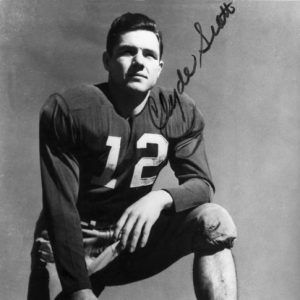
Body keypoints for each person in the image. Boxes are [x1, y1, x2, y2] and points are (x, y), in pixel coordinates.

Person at [27, 12, 237, 300]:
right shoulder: (72, 110)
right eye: (128, 51)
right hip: (75, 242)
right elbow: (61, 209)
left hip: (132, 237)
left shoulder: (178, 111)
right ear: (107, 61)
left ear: (160, 67)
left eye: (149, 55)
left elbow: (201, 185)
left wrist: (158, 199)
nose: (140, 61)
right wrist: (79, 289)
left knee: (215, 221)